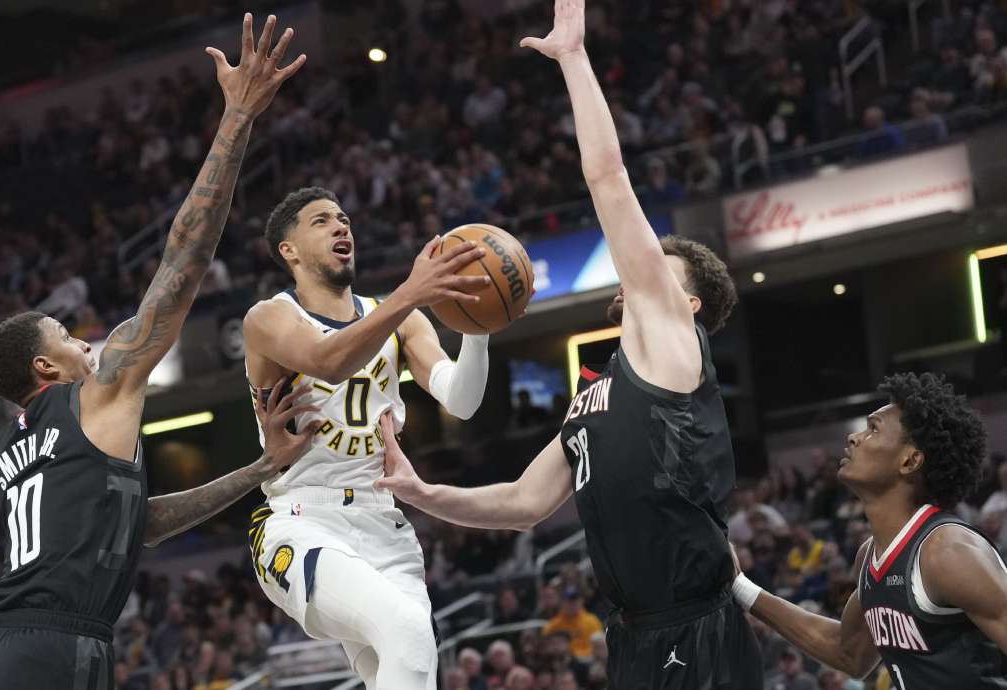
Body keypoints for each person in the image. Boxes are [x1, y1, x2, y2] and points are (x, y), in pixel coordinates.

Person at [374, 1, 758, 687]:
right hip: (632, 633)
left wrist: (574, 59)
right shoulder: (598, 396)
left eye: (658, 265)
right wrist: (422, 491)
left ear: (689, 299)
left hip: (694, 624)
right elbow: (523, 503)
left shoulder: (676, 341)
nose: (635, 268)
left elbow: (608, 179)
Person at [0, 15, 311, 690]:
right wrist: (236, 119)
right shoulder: (97, 389)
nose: (87, 338)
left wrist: (260, 467)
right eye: (67, 336)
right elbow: (184, 258)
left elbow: (137, 522)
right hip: (52, 652)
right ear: (45, 369)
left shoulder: (13, 444)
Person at [239, 182, 494, 685]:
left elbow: (461, 399)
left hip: (384, 523)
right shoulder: (269, 317)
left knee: (411, 662)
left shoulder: (402, 319)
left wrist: (479, 326)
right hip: (299, 517)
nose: (341, 225)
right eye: (321, 221)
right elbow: (329, 362)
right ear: (288, 251)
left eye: (344, 219)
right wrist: (410, 294)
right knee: (406, 630)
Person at [734, 372, 1007, 688]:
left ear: (910, 460)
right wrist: (739, 586)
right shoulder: (869, 556)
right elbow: (849, 654)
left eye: (873, 429)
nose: (854, 437)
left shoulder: (947, 552)